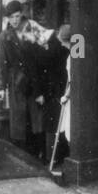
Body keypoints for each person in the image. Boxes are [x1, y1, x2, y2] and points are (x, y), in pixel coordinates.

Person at [30, 23, 71, 163]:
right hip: (56, 91)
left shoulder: (55, 47)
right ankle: (53, 157)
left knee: (54, 125)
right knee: (54, 125)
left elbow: (42, 60)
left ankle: (52, 157)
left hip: (56, 91)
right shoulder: (55, 48)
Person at [0, 0, 31, 146]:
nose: (15, 20)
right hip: (16, 81)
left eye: (17, 16)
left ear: (21, 15)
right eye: (11, 17)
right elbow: (2, 63)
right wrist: (1, 87)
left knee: (32, 118)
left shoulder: (29, 29)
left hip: (31, 78)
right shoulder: (5, 36)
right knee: (18, 119)